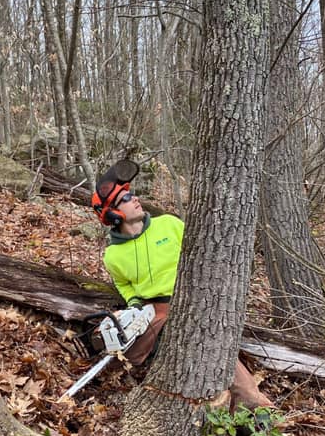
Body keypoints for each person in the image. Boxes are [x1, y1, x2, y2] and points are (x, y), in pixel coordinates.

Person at [92, 173, 273, 409]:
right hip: (154, 309)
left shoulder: (169, 224)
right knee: (122, 349)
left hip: (193, 299)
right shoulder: (113, 256)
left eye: (131, 193)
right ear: (113, 214)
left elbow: (202, 254)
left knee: (212, 347)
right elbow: (124, 285)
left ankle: (254, 404)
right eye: (125, 198)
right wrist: (134, 303)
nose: (134, 198)